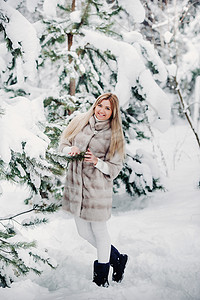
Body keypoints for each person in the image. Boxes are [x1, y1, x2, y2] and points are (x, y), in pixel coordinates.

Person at [59, 93, 128, 287]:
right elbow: (63, 143)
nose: (102, 110)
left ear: (113, 112)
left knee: (99, 231)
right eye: (100, 105)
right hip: (75, 187)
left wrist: (97, 162)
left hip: (97, 190)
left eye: (108, 108)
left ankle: (101, 277)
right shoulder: (80, 121)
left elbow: (114, 168)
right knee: (83, 232)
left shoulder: (115, 134)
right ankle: (118, 259)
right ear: (95, 105)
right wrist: (69, 150)